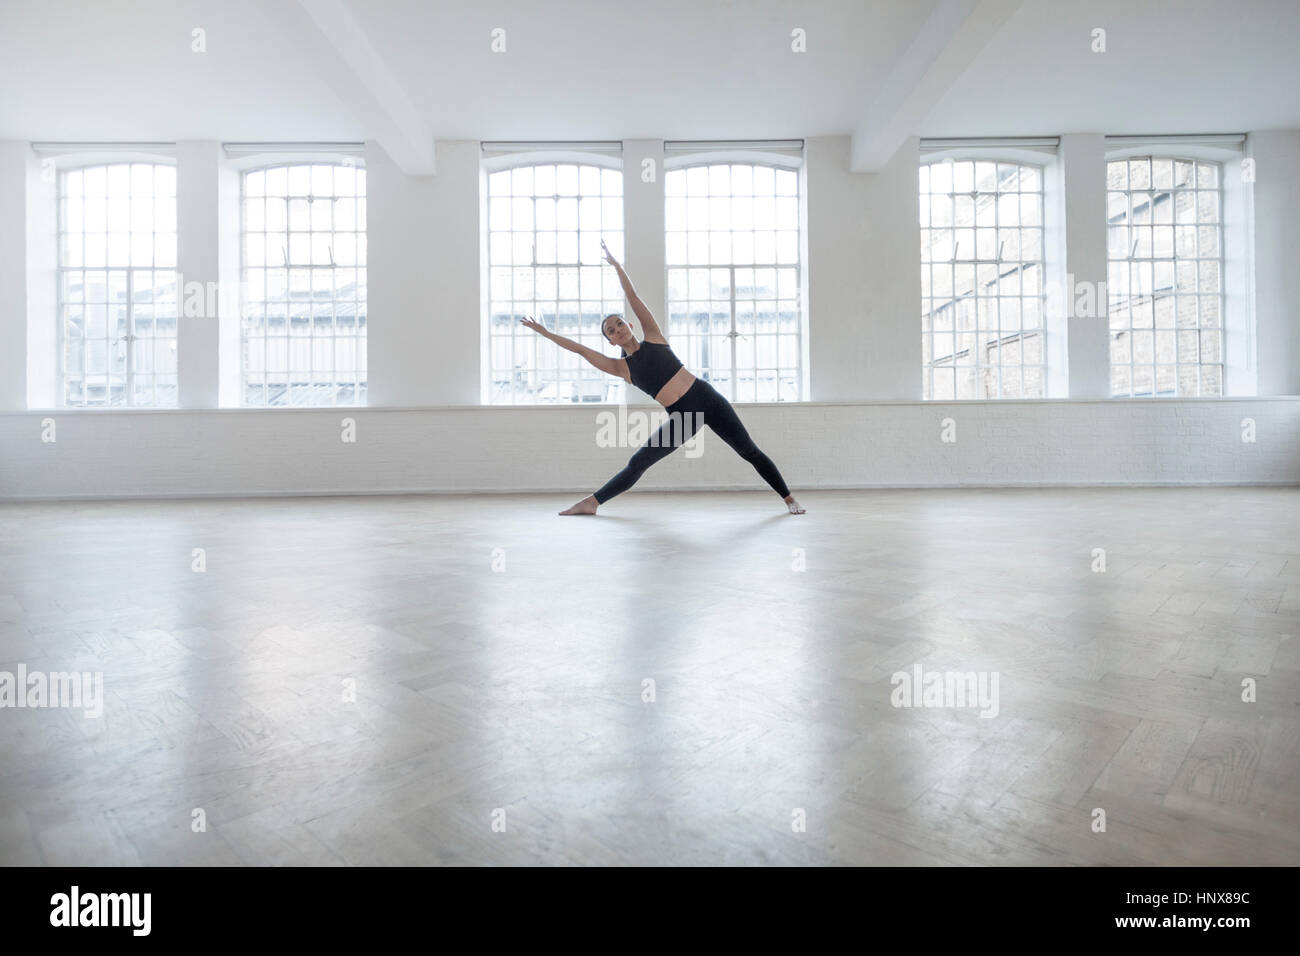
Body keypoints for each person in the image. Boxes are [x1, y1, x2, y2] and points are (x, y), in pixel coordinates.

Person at [520, 240, 805, 516]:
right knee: (638, 462)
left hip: (707, 398)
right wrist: (544, 332)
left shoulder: (654, 337)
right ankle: (592, 502)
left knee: (748, 450)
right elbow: (581, 350)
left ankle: (789, 498)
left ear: (630, 325)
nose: (617, 329)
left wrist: (617, 266)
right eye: (611, 330)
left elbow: (632, 298)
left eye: (619, 323)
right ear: (610, 341)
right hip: (683, 417)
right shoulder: (621, 368)